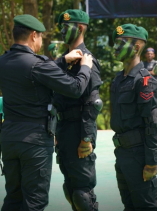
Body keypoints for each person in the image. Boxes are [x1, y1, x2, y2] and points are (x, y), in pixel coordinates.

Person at [0, 14, 93, 211]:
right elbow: (75, 88)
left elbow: (32, 74)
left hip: (9, 139)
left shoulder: (2, 61)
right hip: (34, 142)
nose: (41, 42)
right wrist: (85, 68)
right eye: (40, 37)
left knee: (13, 198)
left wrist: (63, 60)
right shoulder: (37, 64)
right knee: (34, 201)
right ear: (33, 35)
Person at [110, 23, 157, 211]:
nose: (116, 48)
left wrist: (151, 162)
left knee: (146, 206)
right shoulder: (119, 80)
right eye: (115, 43)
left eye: (121, 43)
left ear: (137, 47)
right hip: (122, 153)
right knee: (130, 205)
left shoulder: (145, 80)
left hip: (139, 155)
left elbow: (154, 124)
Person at [53, 9, 101, 211]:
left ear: (80, 28)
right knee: (70, 188)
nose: (62, 32)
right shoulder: (64, 59)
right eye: (61, 27)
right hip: (64, 131)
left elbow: (93, 103)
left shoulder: (87, 60)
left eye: (66, 27)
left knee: (82, 194)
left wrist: (87, 138)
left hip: (79, 131)